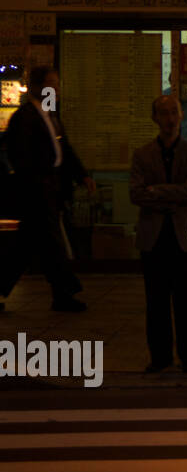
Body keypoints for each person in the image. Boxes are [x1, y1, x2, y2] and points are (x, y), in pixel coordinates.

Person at [4, 66, 94, 312]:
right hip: (36, 190)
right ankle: (65, 292)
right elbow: (19, 155)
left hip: (50, 188)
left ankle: (61, 293)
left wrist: (82, 174)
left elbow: (65, 149)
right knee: (51, 243)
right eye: (50, 83)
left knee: (25, 247)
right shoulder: (25, 117)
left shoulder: (50, 114)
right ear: (36, 87)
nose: (55, 88)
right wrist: (34, 181)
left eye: (57, 84)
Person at [130, 94, 187, 373]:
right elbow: (136, 194)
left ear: (182, 116)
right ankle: (160, 356)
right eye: (164, 113)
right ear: (155, 118)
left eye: (174, 113)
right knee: (156, 300)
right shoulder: (142, 154)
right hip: (154, 235)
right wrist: (173, 194)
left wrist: (157, 191)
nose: (170, 119)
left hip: (186, 233)